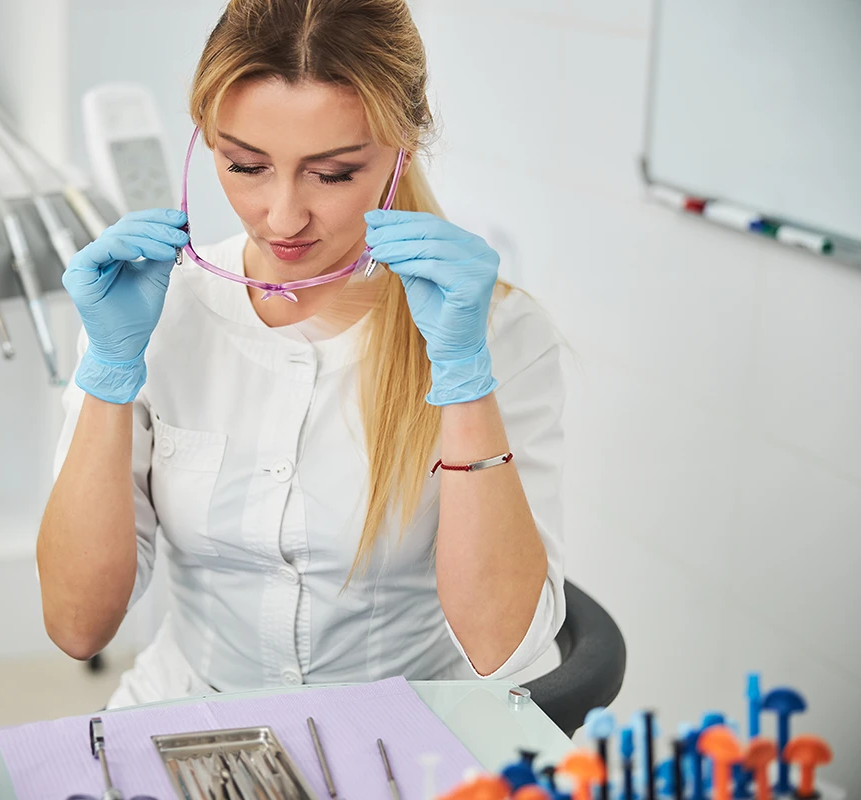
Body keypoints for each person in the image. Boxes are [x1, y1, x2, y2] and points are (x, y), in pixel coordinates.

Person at [37, 0, 565, 709]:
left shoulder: (496, 331)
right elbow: (77, 626)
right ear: (206, 143)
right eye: (246, 165)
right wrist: (106, 373)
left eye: (334, 174)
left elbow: (504, 648)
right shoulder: (152, 312)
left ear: (402, 149)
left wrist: (464, 380)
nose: (283, 217)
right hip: (189, 706)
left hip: (411, 731)